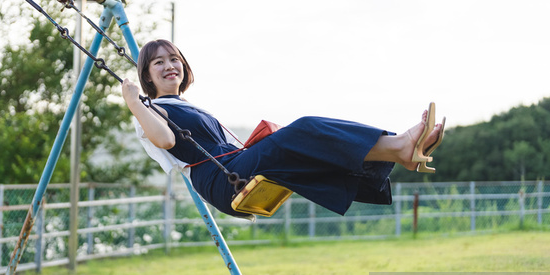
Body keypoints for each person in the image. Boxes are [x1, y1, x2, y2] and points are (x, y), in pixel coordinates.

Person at [122, 39, 445, 218]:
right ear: (147, 76)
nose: (169, 66)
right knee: (303, 129)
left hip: (234, 166)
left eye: (174, 59)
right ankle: (400, 146)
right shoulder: (150, 110)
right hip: (221, 180)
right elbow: (165, 140)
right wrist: (134, 102)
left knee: (308, 150)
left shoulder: (189, 107)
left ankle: (403, 152)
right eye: (158, 63)